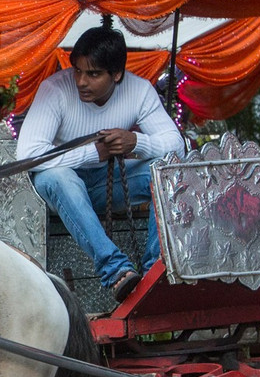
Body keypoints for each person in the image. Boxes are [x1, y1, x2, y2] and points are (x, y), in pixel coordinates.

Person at [15, 26, 187, 303]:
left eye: (93, 74)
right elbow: (30, 156)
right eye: (78, 71)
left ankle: (156, 268)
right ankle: (115, 269)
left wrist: (136, 142)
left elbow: (175, 144)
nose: (82, 81)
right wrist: (94, 153)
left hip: (105, 185)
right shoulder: (55, 90)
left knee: (165, 169)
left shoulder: (139, 90)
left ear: (116, 74)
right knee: (61, 178)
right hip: (58, 187)